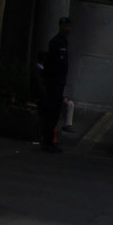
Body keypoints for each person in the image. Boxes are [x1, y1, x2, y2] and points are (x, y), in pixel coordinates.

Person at [34, 18, 73, 153]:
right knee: (51, 113)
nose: (68, 29)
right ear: (60, 26)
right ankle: (47, 141)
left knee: (54, 113)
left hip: (59, 82)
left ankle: (49, 141)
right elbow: (53, 64)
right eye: (65, 26)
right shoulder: (56, 42)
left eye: (69, 26)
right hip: (54, 83)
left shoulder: (64, 42)